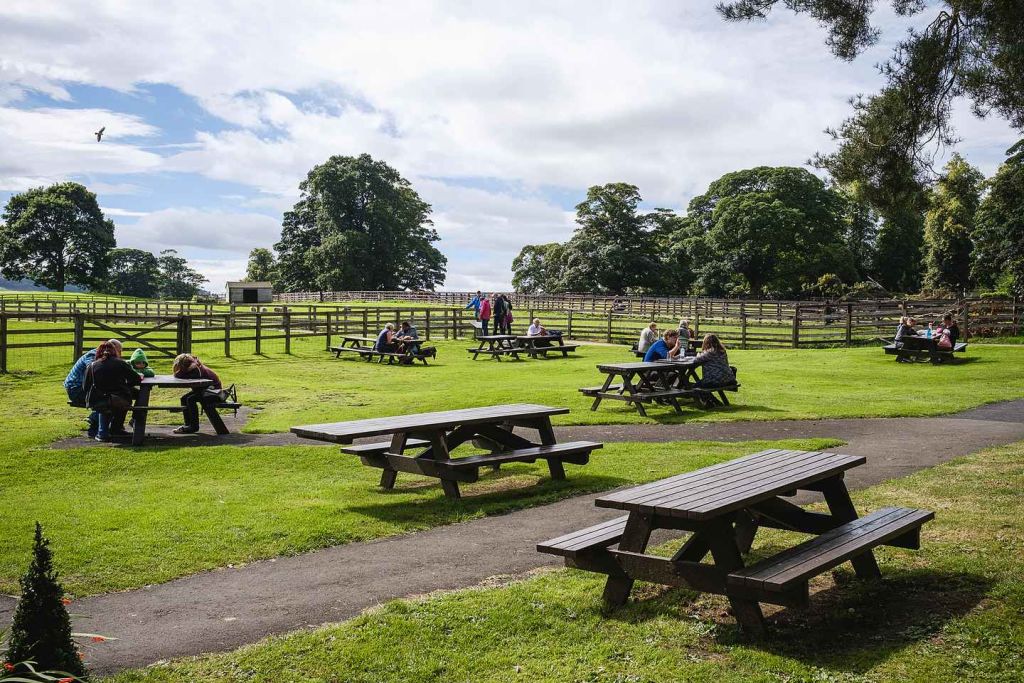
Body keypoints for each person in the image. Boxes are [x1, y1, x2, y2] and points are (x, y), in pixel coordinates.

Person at [83, 340, 139, 441]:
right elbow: (136, 379)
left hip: (97, 400)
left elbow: (85, 386)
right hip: (118, 399)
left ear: (98, 352)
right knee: (124, 398)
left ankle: (102, 433)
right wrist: (126, 386)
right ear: (114, 351)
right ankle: (117, 428)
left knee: (105, 404)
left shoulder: (91, 366)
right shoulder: (121, 363)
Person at [65, 338, 122, 438]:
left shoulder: (103, 356)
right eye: (119, 351)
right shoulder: (93, 355)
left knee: (115, 396)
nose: (119, 354)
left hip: (85, 388)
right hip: (76, 389)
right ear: (112, 348)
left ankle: (105, 426)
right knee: (111, 399)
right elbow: (93, 370)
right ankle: (96, 423)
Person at [171, 353, 224, 435]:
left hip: (214, 393)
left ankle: (193, 426)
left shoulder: (196, 369)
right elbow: (178, 375)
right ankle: (188, 425)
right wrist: (189, 368)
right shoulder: (194, 366)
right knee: (184, 398)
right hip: (205, 390)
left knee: (191, 399)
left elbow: (178, 375)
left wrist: (188, 369)